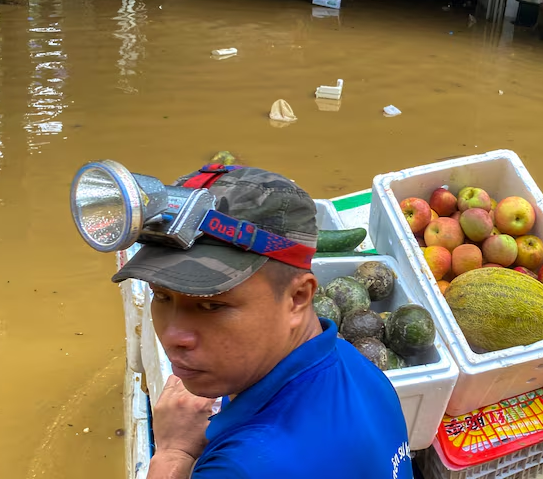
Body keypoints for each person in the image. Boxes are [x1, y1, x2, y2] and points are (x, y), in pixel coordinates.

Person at [112, 166, 413, 479]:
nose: (173, 336)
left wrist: (174, 453)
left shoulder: (243, 466)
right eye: (161, 297)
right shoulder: (352, 361)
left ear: (298, 297)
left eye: (212, 304)